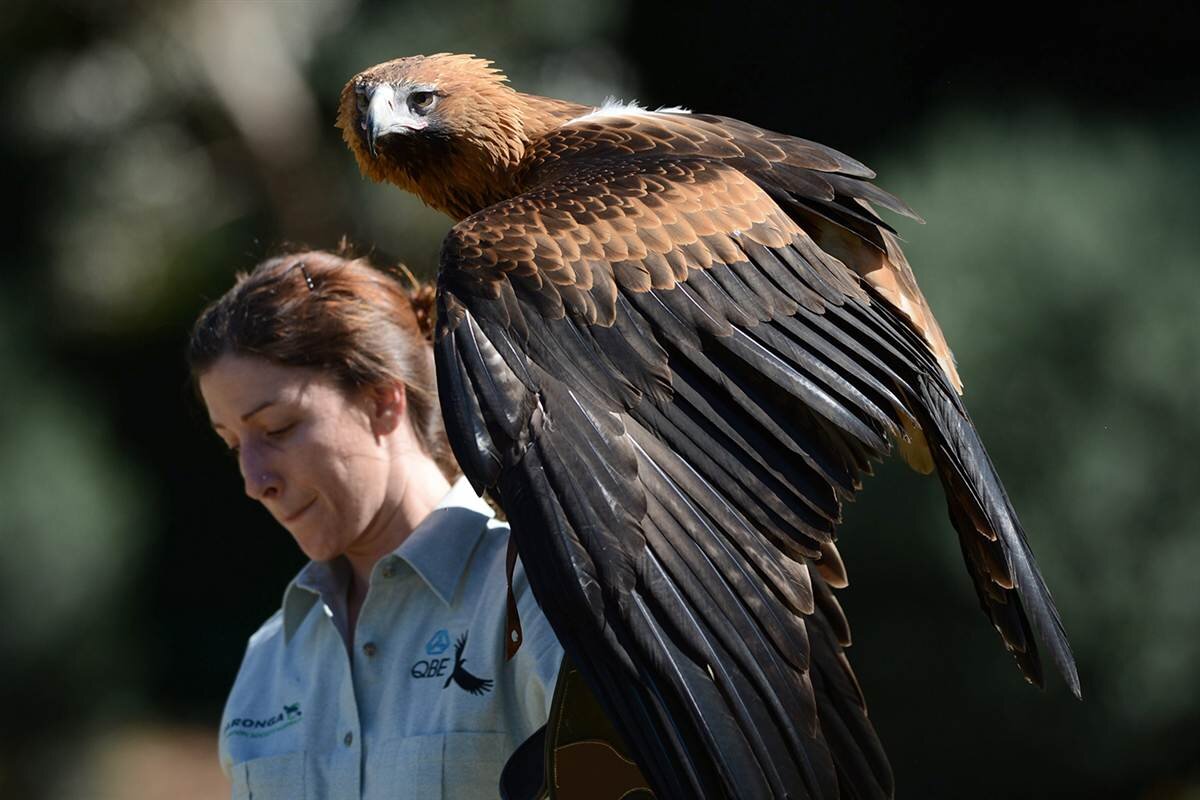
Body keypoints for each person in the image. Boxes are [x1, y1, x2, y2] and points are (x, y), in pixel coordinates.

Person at [188, 248, 563, 799]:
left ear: (382, 402)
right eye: (232, 445)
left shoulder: (535, 595)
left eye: (277, 427)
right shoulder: (268, 659)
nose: (253, 480)